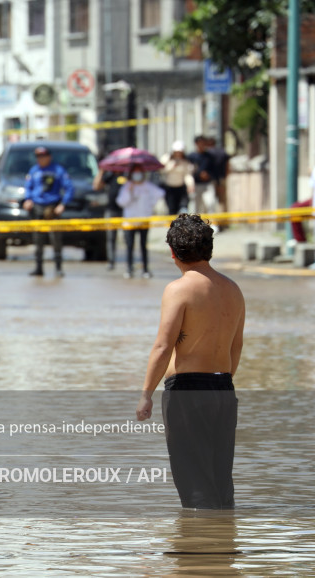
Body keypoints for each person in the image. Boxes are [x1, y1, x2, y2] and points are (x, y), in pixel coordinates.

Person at [135, 214, 245, 509]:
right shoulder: (233, 289)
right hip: (223, 387)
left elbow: (162, 346)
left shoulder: (178, 289)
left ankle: (199, 550)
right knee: (220, 481)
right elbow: (236, 345)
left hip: (187, 390)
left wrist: (146, 393)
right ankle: (223, 546)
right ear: (210, 249)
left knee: (194, 483)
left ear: (173, 253)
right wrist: (221, 384)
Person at [22, 146, 74, 277]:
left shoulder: (58, 170)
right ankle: (38, 268)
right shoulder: (34, 171)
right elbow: (28, 188)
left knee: (55, 239)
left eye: (43, 156)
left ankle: (58, 268)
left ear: (49, 157)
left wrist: (63, 204)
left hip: (52, 207)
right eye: (38, 157)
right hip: (37, 207)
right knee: (38, 240)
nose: (40, 159)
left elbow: (69, 188)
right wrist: (28, 200)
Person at [116, 166, 165, 279]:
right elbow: (121, 202)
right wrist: (129, 191)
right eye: (135, 172)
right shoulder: (127, 186)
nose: (137, 175)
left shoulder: (147, 186)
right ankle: (129, 268)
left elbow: (160, 194)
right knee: (129, 245)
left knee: (143, 245)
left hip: (144, 220)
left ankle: (145, 269)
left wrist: (150, 205)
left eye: (139, 172)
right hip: (130, 221)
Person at [93, 165, 126, 270]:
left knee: (127, 237)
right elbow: (96, 187)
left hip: (125, 211)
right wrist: (101, 171)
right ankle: (111, 261)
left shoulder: (126, 175)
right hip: (111, 210)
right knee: (111, 237)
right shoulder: (109, 176)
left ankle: (128, 262)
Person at [160, 141, 195, 215]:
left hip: (181, 188)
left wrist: (190, 185)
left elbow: (187, 175)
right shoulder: (166, 159)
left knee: (183, 207)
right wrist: (172, 166)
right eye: (176, 152)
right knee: (172, 209)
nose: (178, 154)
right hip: (169, 188)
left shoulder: (186, 161)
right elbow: (161, 171)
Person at [188, 136, 217, 216]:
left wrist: (208, 175)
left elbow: (214, 170)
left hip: (207, 184)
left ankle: (213, 224)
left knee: (210, 203)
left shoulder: (210, 157)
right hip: (196, 184)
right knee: (196, 206)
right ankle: (194, 225)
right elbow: (189, 171)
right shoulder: (191, 156)